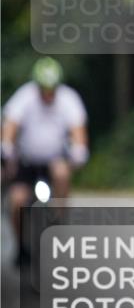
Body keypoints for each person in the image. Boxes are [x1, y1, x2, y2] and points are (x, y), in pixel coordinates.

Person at [1, 58, 89, 260]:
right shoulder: (24, 96)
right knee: (17, 200)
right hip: (27, 161)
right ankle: (20, 245)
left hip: (54, 159)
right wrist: (6, 147)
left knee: (62, 173)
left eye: (52, 89)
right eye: (44, 89)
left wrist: (79, 151)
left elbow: (78, 132)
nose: (48, 94)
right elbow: (10, 126)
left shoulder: (69, 99)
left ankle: (58, 220)